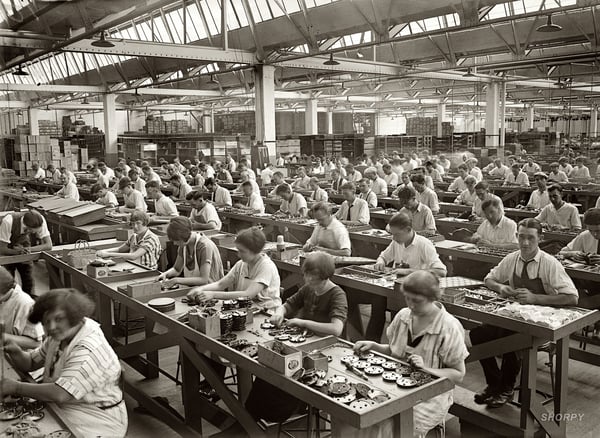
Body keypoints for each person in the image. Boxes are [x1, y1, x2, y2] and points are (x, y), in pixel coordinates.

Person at [470, 218, 578, 408]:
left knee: (513, 339)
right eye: (521, 237)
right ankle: (495, 384)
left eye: (530, 238)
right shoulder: (512, 259)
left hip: (541, 324)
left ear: (540, 238)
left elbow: (571, 297)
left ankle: (506, 388)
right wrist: (500, 288)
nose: (525, 243)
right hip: (514, 316)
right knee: (478, 334)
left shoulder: (549, 263)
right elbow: (489, 279)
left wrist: (536, 298)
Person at [0, 289, 128, 437]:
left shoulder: (87, 349)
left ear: (74, 316)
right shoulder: (61, 336)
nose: (51, 327)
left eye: (58, 319)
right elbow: (31, 363)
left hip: (98, 417)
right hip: (69, 406)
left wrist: (16, 387)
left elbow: (60, 394)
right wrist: (16, 352)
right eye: (46, 322)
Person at [354, 271, 468, 436]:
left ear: (433, 297)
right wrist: (373, 346)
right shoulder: (403, 316)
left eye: (417, 301)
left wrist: (426, 369)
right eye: (407, 298)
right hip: (395, 386)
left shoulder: (449, 327)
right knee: (364, 417)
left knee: (388, 429)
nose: (411, 305)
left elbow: (458, 374)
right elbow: (393, 351)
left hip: (429, 397)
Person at [242, 253, 347, 425]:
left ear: (324, 275)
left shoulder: (337, 294)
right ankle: (251, 420)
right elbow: (289, 303)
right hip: (302, 343)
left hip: (323, 351)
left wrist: (303, 322)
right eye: (306, 274)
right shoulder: (308, 288)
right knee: (268, 370)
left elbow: (336, 329)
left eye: (311, 275)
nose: (307, 278)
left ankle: (284, 413)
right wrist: (279, 313)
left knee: (286, 376)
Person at [188, 227, 281, 309]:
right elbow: (220, 284)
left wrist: (213, 294)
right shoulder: (241, 264)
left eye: (242, 251)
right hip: (247, 308)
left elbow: (248, 295)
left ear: (255, 251)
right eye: (238, 250)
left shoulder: (266, 267)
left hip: (267, 313)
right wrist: (200, 289)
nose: (238, 254)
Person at [156, 217, 224, 287]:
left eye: (176, 240)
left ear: (183, 237)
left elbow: (204, 279)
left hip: (211, 288)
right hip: (194, 287)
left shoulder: (204, 246)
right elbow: (177, 269)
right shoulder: (183, 245)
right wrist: (165, 274)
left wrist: (176, 280)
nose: (174, 243)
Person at [374, 213, 446, 277]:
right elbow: (383, 257)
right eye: (392, 234)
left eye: (397, 234)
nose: (394, 238)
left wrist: (409, 271)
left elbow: (441, 272)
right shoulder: (396, 242)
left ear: (408, 229)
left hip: (417, 287)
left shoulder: (424, 244)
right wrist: (380, 262)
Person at [0, 210, 52, 296]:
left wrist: (29, 249)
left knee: (28, 280)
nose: (34, 233)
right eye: (32, 231)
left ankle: (30, 303)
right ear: (26, 226)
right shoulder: (8, 221)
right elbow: (1, 249)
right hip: (7, 248)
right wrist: (17, 252)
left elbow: (48, 245)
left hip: (23, 245)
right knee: (8, 282)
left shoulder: (40, 220)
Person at [96, 211, 162, 270]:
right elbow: (120, 249)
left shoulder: (150, 238)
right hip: (133, 267)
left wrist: (108, 254)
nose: (135, 226)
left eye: (138, 223)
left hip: (147, 271)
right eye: (133, 224)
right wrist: (103, 251)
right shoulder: (134, 236)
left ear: (145, 223)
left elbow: (134, 256)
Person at [0, 266, 43, 349]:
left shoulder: (25, 303)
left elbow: (35, 343)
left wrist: (3, 337)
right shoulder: (3, 297)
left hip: (16, 356)